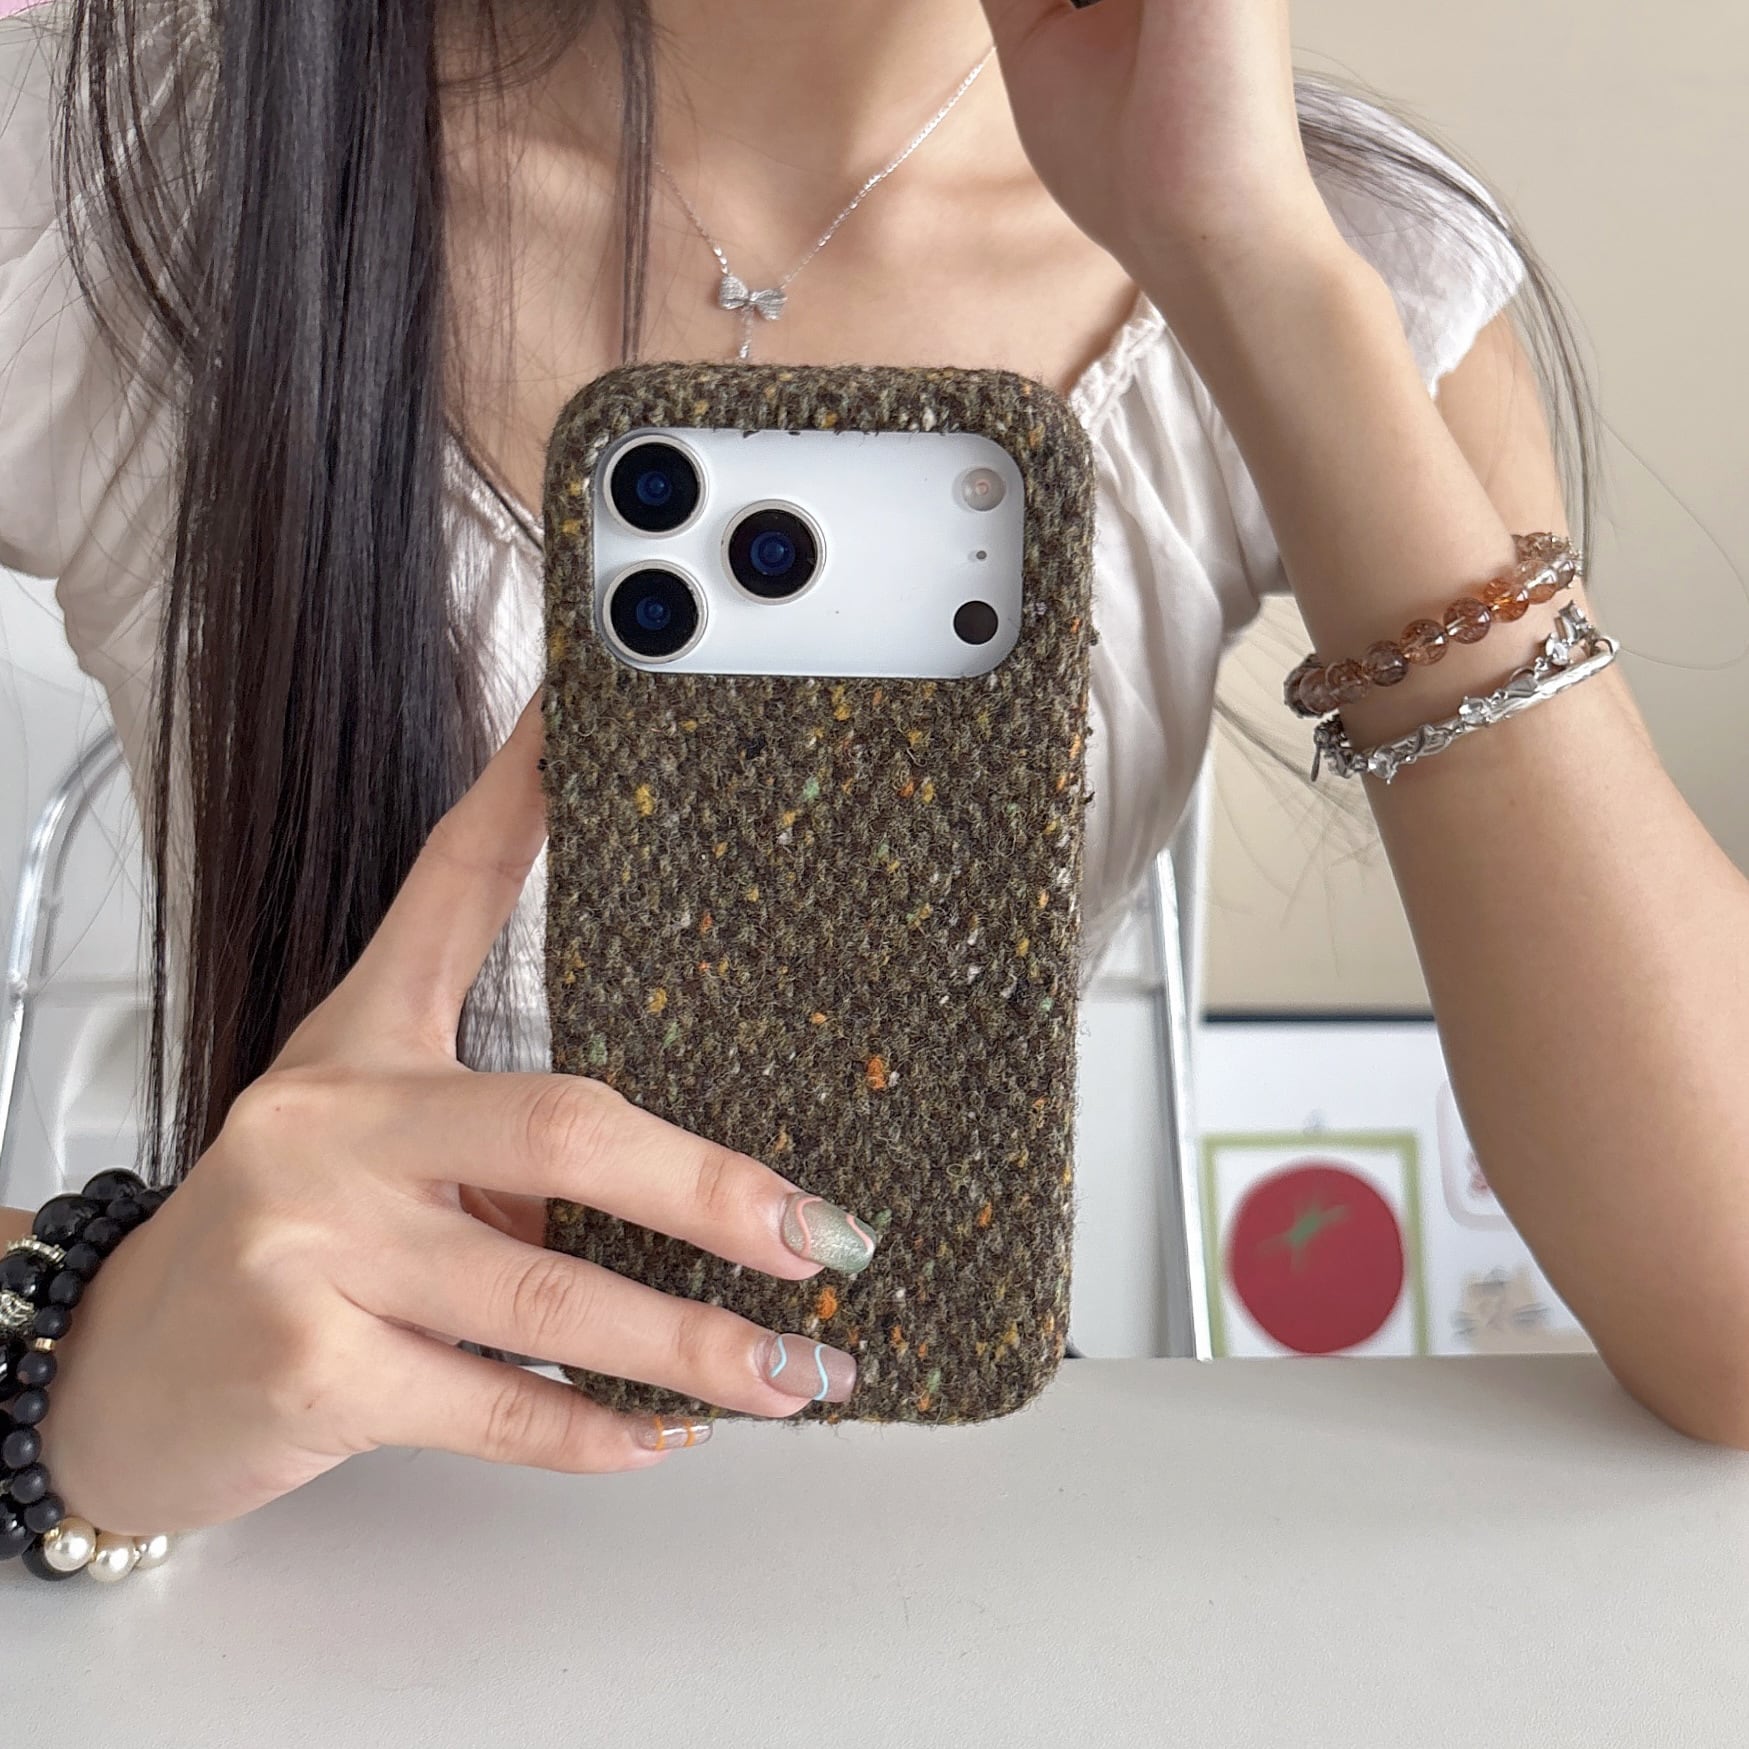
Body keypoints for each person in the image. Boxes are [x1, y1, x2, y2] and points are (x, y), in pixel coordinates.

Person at [2, 0, 1746, 1570]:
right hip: (285, 1599)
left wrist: (1250, 259)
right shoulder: (93, 167)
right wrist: (83, 1360)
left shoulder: (1338, 256)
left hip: (939, 1589)